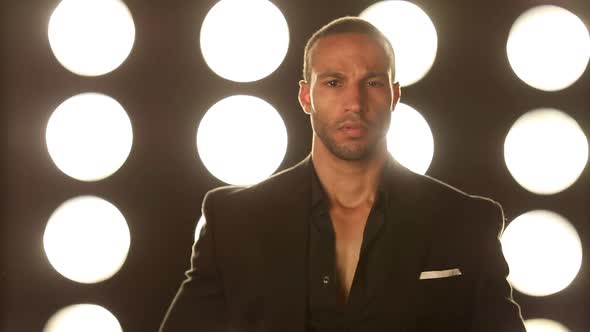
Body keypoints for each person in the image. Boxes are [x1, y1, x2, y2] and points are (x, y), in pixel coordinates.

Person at [160, 16, 526, 332]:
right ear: (306, 97)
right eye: (334, 82)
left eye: (373, 82)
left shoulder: (465, 222)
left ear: (395, 95)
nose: (355, 102)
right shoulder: (234, 220)